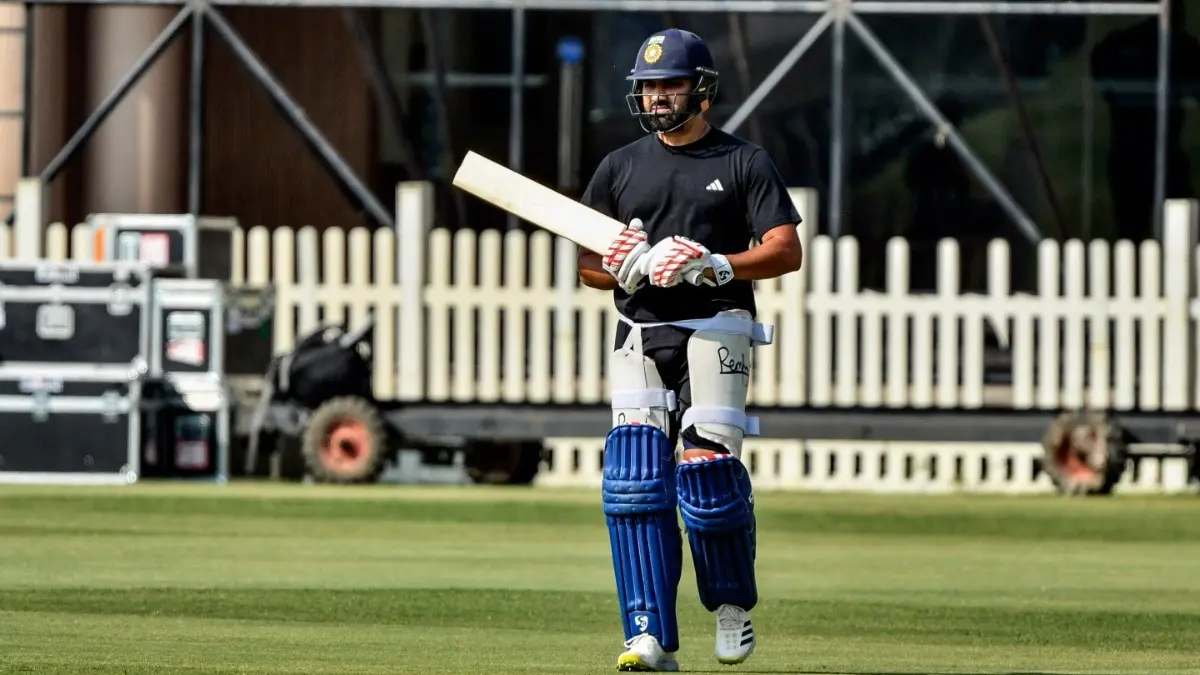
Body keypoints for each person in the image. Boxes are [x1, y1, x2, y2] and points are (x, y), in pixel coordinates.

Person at [576, 28, 804, 672]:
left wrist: (715, 266)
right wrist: (623, 270)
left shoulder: (743, 162)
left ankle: (731, 608)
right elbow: (588, 263)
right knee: (634, 480)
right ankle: (647, 634)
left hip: (716, 326)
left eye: (668, 85)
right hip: (640, 330)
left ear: (701, 90)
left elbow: (785, 250)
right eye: (647, 87)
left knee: (706, 476)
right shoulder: (619, 166)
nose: (655, 98)